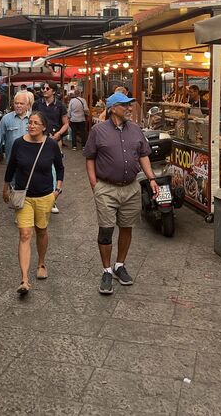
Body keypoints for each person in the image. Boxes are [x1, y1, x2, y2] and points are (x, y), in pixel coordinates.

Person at [84, 92, 160, 295]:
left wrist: (151, 178)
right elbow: (89, 157)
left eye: (129, 105)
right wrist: (94, 184)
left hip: (131, 187)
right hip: (106, 188)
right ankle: (106, 270)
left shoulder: (135, 129)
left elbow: (143, 155)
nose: (129, 108)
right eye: (124, 105)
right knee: (106, 230)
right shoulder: (98, 131)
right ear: (112, 108)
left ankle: (120, 265)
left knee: (127, 227)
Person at [3, 111, 64, 295]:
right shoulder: (19, 143)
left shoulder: (51, 145)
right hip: (25, 196)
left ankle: (41, 263)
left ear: (44, 126)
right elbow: (11, 166)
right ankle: (24, 279)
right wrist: (5, 187)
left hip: (45, 196)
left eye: (36, 123)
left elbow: (60, 168)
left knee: (42, 231)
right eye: (30, 122)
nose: (31, 125)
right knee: (24, 233)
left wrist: (57, 190)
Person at [33, 81, 69, 213]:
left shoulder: (60, 105)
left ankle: (53, 200)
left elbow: (66, 123)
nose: (44, 90)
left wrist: (59, 134)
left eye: (47, 88)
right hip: (39, 139)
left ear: (53, 91)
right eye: (43, 88)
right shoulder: (37, 104)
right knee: (38, 166)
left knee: (54, 169)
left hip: (54, 140)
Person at [0, 92, 31, 169]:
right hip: (12, 159)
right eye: (16, 103)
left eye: (21, 103)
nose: (18, 106)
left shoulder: (33, 118)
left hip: (30, 158)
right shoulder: (6, 118)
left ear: (28, 105)